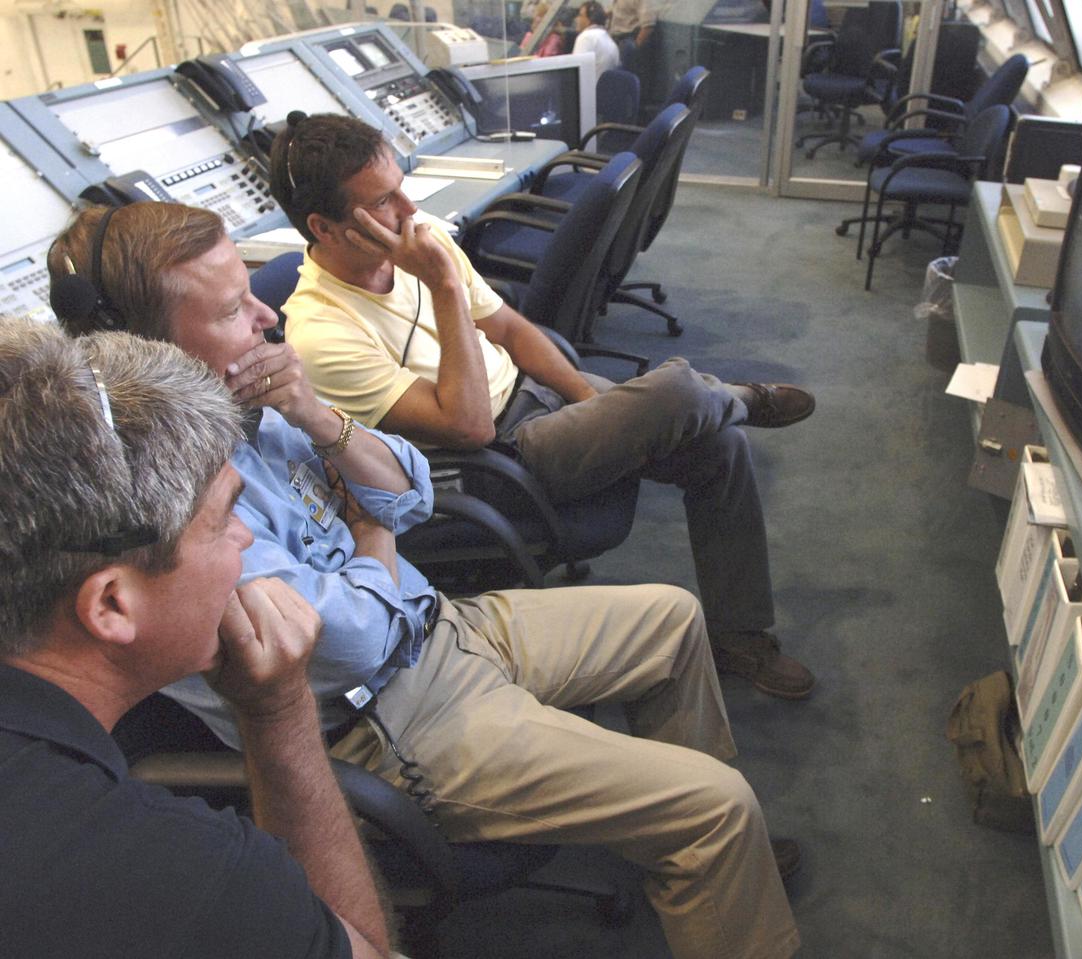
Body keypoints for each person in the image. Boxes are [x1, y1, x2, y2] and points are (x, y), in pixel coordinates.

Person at [47, 202, 802, 959]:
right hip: (385, 719)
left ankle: (698, 861)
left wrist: (315, 415)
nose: (265, 312)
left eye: (251, 289)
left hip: (435, 622)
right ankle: (710, 842)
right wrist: (371, 536)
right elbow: (354, 640)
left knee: (671, 618)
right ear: (148, 347)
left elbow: (410, 491)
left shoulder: (255, 401)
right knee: (718, 807)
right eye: (230, 309)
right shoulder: (170, 509)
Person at [270, 112, 819, 702]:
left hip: (549, 405)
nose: (409, 210)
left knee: (718, 443)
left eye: (403, 186)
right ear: (325, 228)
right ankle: (735, 396)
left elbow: (509, 327)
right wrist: (445, 287)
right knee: (682, 393)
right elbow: (469, 426)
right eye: (384, 201)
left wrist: (590, 398)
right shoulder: (322, 332)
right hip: (499, 458)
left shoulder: (415, 234)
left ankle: (739, 635)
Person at [0, 319, 391, 958]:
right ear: (111, 604)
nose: (245, 539)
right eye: (224, 520)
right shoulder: (168, 870)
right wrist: (282, 710)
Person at [572, 0, 620, 77]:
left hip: (589, 88)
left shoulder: (586, 37)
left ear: (590, 19)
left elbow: (575, 73)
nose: (577, 19)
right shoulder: (609, 40)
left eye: (580, 15)